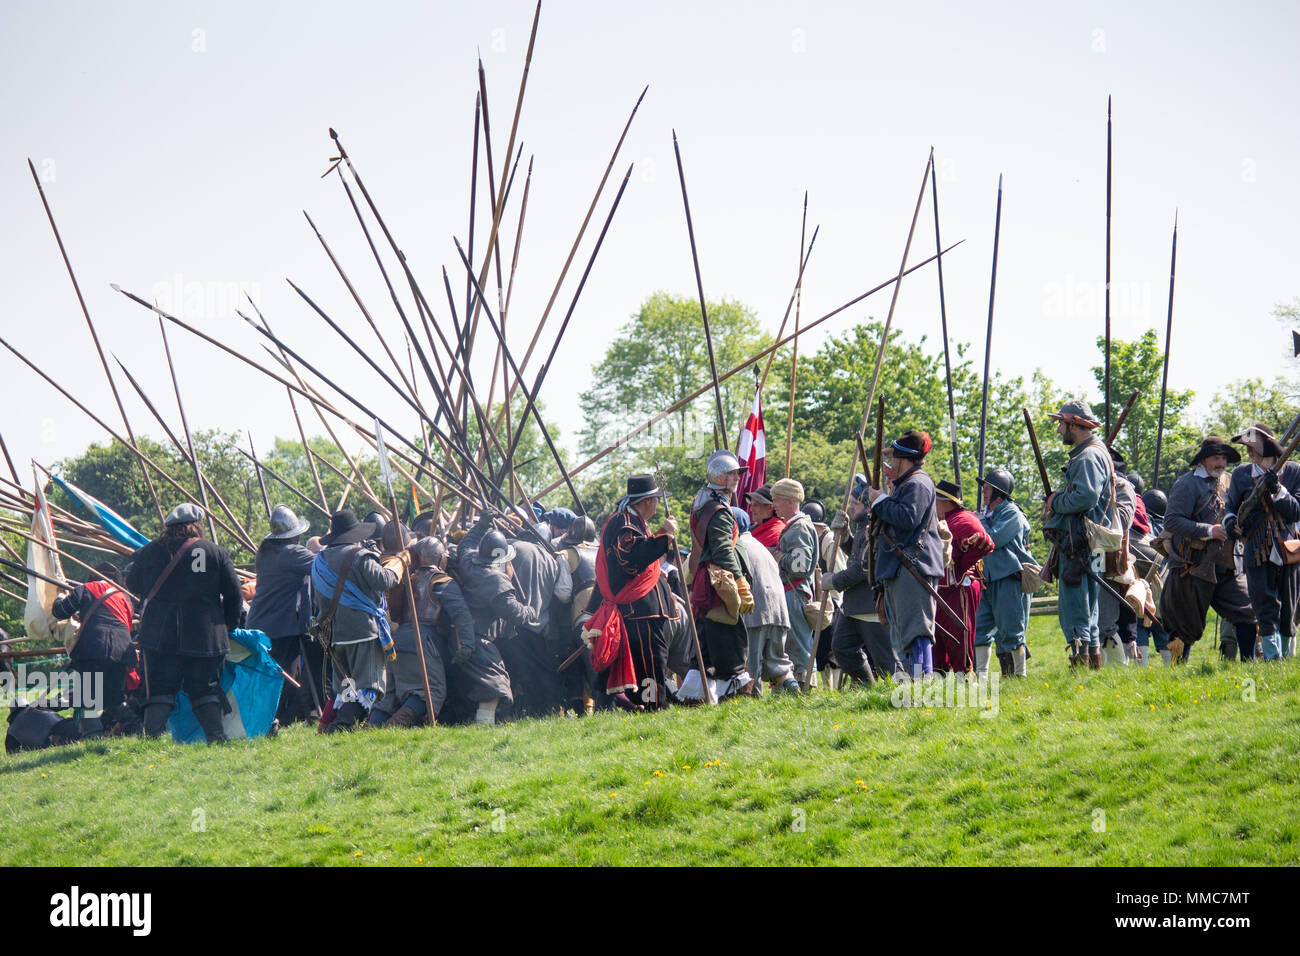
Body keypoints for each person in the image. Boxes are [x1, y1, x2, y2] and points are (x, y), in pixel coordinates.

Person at [125, 503, 242, 743]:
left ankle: (152, 739)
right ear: (196, 525)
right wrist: (227, 626)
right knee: (204, 686)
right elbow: (234, 595)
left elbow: (134, 584)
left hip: (160, 633)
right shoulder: (216, 552)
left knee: (160, 687)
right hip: (204, 634)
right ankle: (216, 737)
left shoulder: (149, 551)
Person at [583, 474, 680, 708]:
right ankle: (652, 706)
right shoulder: (624, 523)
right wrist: (664, 533)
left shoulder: (632, 521)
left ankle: (636, 704)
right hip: (639, 610)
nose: (657, 504)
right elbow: (632, 559)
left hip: (643, 609)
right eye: (655, 500)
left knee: (650, 659)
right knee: (650, 660)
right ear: (647, 501)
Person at [1158, 437, 1256, 662]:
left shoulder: (1231, 482)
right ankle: (1176, 675)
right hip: (1191, 565)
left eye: (1223, 458)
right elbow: (1172, 521)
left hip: (1226, 563)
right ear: (1203, 460)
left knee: (1247, 611)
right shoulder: (1187, 484)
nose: (1221, 463)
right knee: (1184, 624)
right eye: (1216, 458)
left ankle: (1250, 664)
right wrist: (1209, 531)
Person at [310, 509, 403, 732]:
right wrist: (400, 561)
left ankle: (336, 726)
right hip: (363, 631)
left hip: (334, 633)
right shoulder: (360, 556)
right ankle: (342, 726)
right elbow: (384, 580)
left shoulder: (319, 561)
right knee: (369, 686)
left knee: (346, 687)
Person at [1041, 399, 1113, 670]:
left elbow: (1086, 496)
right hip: (1091, 544)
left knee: (1076, 607)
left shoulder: (1087, 456)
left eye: (1061, 423)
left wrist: (1055, 502)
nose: (1059, 430)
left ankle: (1081, 665)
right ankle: (1092, 662)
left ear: (1073, 424)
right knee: (1090, 606)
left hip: (1079, 543)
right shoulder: (1096, 452)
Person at [867, 430, 944, 678]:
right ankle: (914, 684)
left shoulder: (918, 483)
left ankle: (922, 685)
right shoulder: (909, 483)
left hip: (914, 566)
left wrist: (880, 502)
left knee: (917, 632)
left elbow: (908, 518)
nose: (891, 462)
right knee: (905, 634)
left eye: (894, 457)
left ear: (903, 458)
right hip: (903, 566)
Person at [1224, 424, 1300, 659]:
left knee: (1289, 607)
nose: (1249, 452)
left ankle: (1286, 656)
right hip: (1256, 547)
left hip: (1288, 546)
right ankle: (1271, 656)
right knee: (1263, 605)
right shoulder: (1241, 474)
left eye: (1252, 447)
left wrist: (1278, 491)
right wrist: (1229, 523)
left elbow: (1297, 512)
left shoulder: (1294, 471)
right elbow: (1232, 508)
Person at [686, 451, 755, 699]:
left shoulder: (703, 503)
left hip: (708, 581)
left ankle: (694, 695)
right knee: (732, 640)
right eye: (732, 473)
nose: (737, 477)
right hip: (720, 584)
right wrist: (740, 582)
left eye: (737, 473)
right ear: (719, 477)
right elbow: (723, 549)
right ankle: (736, 691)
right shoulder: (719, 511)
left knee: (706, 644)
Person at [245, 505, 320, 724]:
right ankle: (278, 719)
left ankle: (279, 718)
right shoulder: (293, 553)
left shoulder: (265, 553)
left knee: (271, 674)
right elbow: (325, 566)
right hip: (282, 626)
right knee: (284, 674)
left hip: (262, 622)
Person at [370, 533, 449, 727]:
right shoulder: (398, 570)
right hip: (417, 640)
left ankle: (371, 727)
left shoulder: (403, 573)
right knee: (430, 691)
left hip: (393, 639)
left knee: (389, 694)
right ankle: (392, 727)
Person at [51, 562, 134, 737]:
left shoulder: (85, 588)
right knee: (115, 698)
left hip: (94, 649)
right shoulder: (124, 597)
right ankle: (135, 722)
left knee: (85, 699)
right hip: (122, 650)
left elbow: (60, 612)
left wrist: (59, 595)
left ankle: (94, 738)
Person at [824, 478, 891, 684]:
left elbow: (862, 569)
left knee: (885, 662)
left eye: (855, 503)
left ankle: (894, 695)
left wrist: (834, 581)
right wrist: (845, 536)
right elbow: (857, 554)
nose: (851, 506)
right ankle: (868, 687)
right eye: (851, 502)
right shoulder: (863, 526)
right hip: (854, 605)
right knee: (842, 648)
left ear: (868, 506)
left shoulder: (875, 527)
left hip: (870, 604)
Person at [731, 506, 799, 694]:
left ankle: (752, 707)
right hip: (778, 612)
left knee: (750, 667)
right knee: (779, 664)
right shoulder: (758, 545)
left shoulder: (736, 547)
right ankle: (794, 690)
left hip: (755, 613)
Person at [974, 468, 1034, 679]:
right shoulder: (985, 515)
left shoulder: (1011, 512)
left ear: (999, 492)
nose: (984, 491)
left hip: (1007, 576)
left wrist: (977, 522)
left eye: (988, 488)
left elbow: (993, 540)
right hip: (985, 578)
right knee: (979, 630)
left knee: (1011, 630)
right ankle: (980, 678)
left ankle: (1019, 676)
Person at [933, 480, 993, 676]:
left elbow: (984, 544)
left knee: (959, 636)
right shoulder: (941, 521)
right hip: (939, 589)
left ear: (946, 502)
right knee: (936, 640)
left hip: (959, 588)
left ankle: (965, 678)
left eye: (936, 500)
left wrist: (961, 561)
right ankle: (937, 678)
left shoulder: (964, 520)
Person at [772, 477, 819, 687]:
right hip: (791, 590)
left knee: (799, 643)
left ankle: (806, 685)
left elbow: (800, 564)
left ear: (790, 501)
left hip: (795, 591)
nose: (773, 505)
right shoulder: (794, 525)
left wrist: (779, 557)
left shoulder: (799, 527)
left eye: (777, 500)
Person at [1135, 488, 1172, 665]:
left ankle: (1141, 667)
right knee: (1161, 626)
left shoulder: (1142, 525)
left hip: (1145, 582)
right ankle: (1170, 666)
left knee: (1140, 621)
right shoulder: (1168, 527)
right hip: (1164, 587)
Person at [746, 483, 785, 549]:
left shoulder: (779, 533)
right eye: (751, 505)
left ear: (770, 507)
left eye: (755, 505)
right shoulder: (752, 529)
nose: (751, 509)